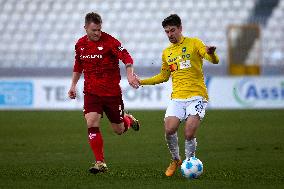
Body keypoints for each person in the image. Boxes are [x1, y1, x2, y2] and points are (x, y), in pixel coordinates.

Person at [138, 14, 219, 177]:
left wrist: (211, 53)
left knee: (189, 133)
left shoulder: (194, 43)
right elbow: (163, 76)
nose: (170, 34)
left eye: (172, 30)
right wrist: (142, 82)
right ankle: (176, 160)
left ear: (180, 28)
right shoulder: (166, 52)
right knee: (169, 129)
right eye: (167, 32)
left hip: (197, 95)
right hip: (177, 97)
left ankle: (190, 161)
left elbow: (213, 60)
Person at [68, 12, 140, 174]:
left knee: (119, 130)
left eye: (99, 29)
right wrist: (73, 85)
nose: (97, 33)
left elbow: (127, 57)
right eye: (94, 30)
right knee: (91, 123)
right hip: (91, 93)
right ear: (85, 28)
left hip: (112, 94)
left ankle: (127, 119)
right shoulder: (80, 45)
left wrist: (129, 74)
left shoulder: (110, 42)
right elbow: (78, 66)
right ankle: (100, 162)